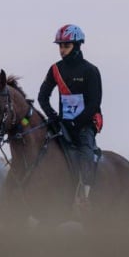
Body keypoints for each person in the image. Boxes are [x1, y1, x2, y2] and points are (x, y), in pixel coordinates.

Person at [38, 24, 103, 205]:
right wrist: (53, 117)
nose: (62, 50)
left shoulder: (90, 70)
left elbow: (94, 103)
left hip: (86, 124)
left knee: (85, 153)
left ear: (77, 45)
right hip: (63, 123)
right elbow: (42, 97)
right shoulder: (55, 69)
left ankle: (85, 197)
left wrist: (77, 122)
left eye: (66, 46)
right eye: (60, 46)